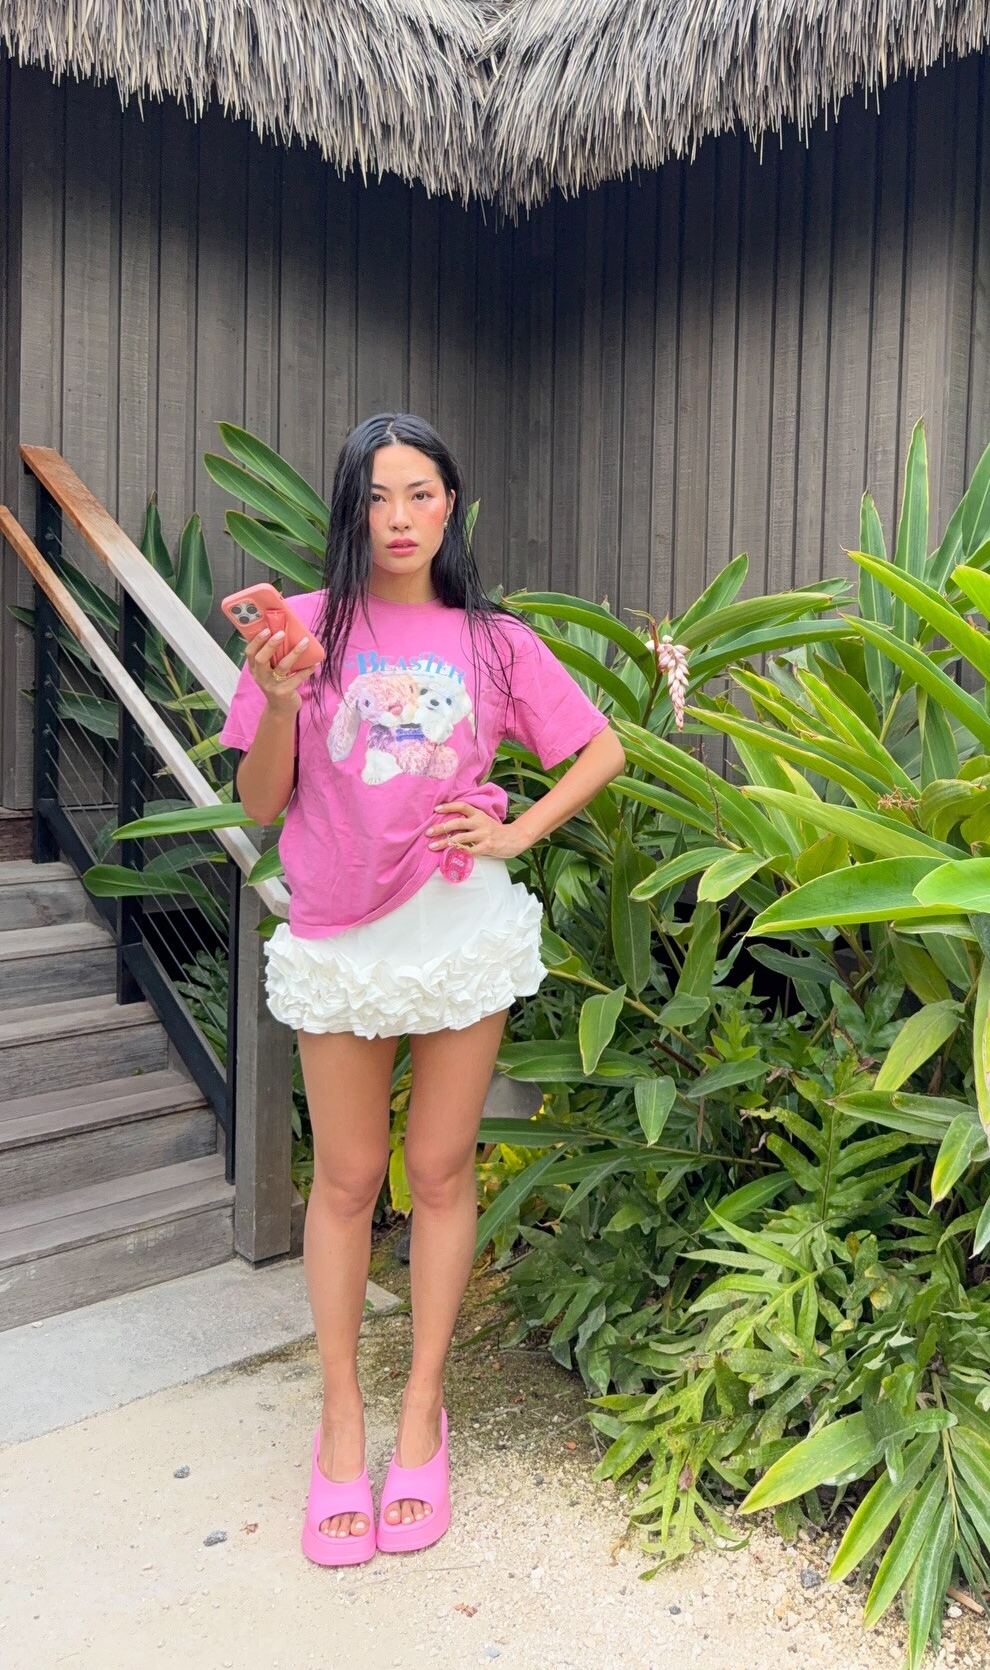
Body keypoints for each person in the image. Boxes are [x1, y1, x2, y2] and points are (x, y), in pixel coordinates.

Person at [219, 411, 626, 1567]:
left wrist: (519, 833)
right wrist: (285, 701)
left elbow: (601, 749)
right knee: (348, 1181)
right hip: (342, 935)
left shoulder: (494, 641)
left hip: (456, 931)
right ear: (350, 510)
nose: (398, 519)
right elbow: (260, 804)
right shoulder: (304, 629)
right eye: (376, 496)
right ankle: (340, 1421)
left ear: (450, 505)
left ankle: (421, 1413)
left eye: (421, 494)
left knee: (441, 1174)